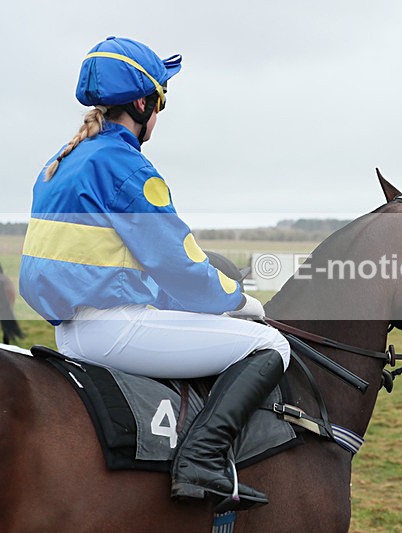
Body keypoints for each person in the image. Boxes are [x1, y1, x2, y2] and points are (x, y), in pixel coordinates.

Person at [19, 37, 290, 511]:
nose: (158, 118)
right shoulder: (125, 166)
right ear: (144, 104)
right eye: (161, 104)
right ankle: (201, 462)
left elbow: (127, 266)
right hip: (115, 329)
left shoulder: (59, 162)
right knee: (270, 345)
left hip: (68, 336)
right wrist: (238, 301)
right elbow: (180, 266)